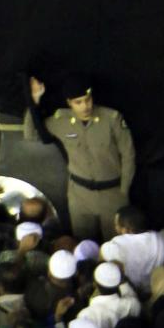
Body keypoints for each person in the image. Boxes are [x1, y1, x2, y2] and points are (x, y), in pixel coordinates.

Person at [24, 73, 136, 239]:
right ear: (69, 103)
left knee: (116, 244)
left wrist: (124, 192)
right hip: (80, 196)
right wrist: (34, 101)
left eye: (88, 99)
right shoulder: (60, 120)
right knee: (83, 245)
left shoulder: (111, 118)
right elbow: (31, 135)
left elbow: (128, 155)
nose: (85, 106)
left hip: (111, 193)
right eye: (78, 102)